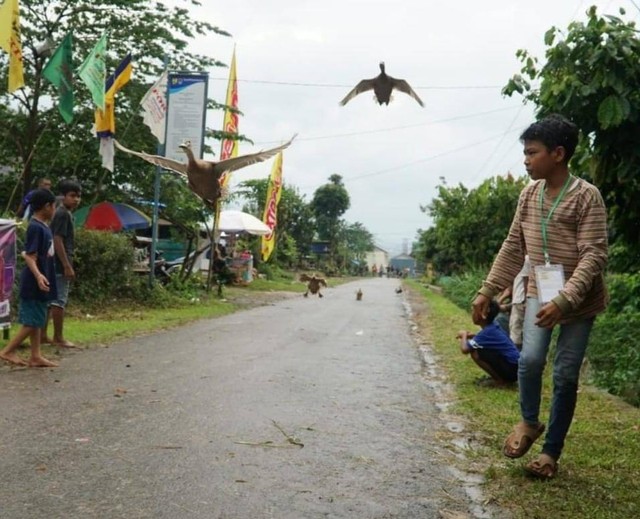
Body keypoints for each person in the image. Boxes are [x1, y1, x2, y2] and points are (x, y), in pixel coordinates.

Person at [471, 114, 608, 479]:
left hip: (578, 300)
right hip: (539, 287)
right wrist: (487, 289)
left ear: (558, 154)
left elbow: (594, 254)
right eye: (525, 153)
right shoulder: (529, 194)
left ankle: (551, 452)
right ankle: (529, 422)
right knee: (529, 360)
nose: (526, 160)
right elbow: (514, 245)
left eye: (532, 153)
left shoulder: (586, 196)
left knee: (565, 374)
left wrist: (564, 301)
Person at [0, 189, 59, 367]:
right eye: (54, 205)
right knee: (32, 321)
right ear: (47, 206)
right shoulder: (35, 227)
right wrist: (39, 275)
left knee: (38, 319)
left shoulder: (44, 226)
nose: (55, 209)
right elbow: (30, 256)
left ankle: (36, 355)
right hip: (34, 281)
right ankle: (7, 351)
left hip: (42, 278)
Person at [42, 179, 82, 348]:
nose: (76, 199)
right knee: (59, 301)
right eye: (72, 196)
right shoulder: (63, 213)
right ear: (63, 196)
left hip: (53, 262)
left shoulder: (62, 212)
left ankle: (43, 335)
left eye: (78, 196)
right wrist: (67, 265)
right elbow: (58, 239)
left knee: (49, 302)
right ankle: (58, 337)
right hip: (59, 263)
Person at [457, 299, 519, 386]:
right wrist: (473, 336)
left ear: (483, 315)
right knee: (478, 346)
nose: (472, 314)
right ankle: (500, 378)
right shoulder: (493, 325)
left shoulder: (488, 332)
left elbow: (465, 349)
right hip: (515, 368)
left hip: (512, 370)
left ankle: (499, 381)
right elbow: (487, 340)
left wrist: (463, 335)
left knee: (475, 351)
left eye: (474, 311)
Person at [509, 255, 531, 350]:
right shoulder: (521, 260)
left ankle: (515, 356)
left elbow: (526, 280)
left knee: (516, 331)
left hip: (521, 299)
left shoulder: (526, 259)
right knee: (517, 330)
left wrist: (527, 300)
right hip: (519, 299)